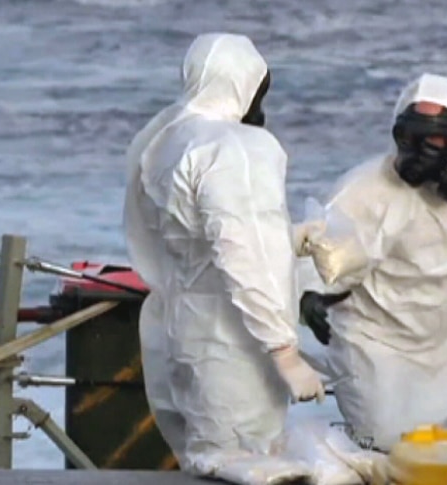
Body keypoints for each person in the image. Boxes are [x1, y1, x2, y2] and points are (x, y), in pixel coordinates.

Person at [294, 73, 447, 451]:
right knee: (387, 446)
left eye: (437, 139)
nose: (422, 150)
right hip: (378, 345)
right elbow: (321, 248)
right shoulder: (364, 189)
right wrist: (308, 294)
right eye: (411, 137)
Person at [123, 32, 325, 477]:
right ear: (242, 86)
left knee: (206, 463)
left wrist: (290, 238)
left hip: (177, 334)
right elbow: (248, 253)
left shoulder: (163, 136)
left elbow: (191, 236)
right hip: (236, 352)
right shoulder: (236, 147)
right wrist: (285, 352)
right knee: (249, 466)